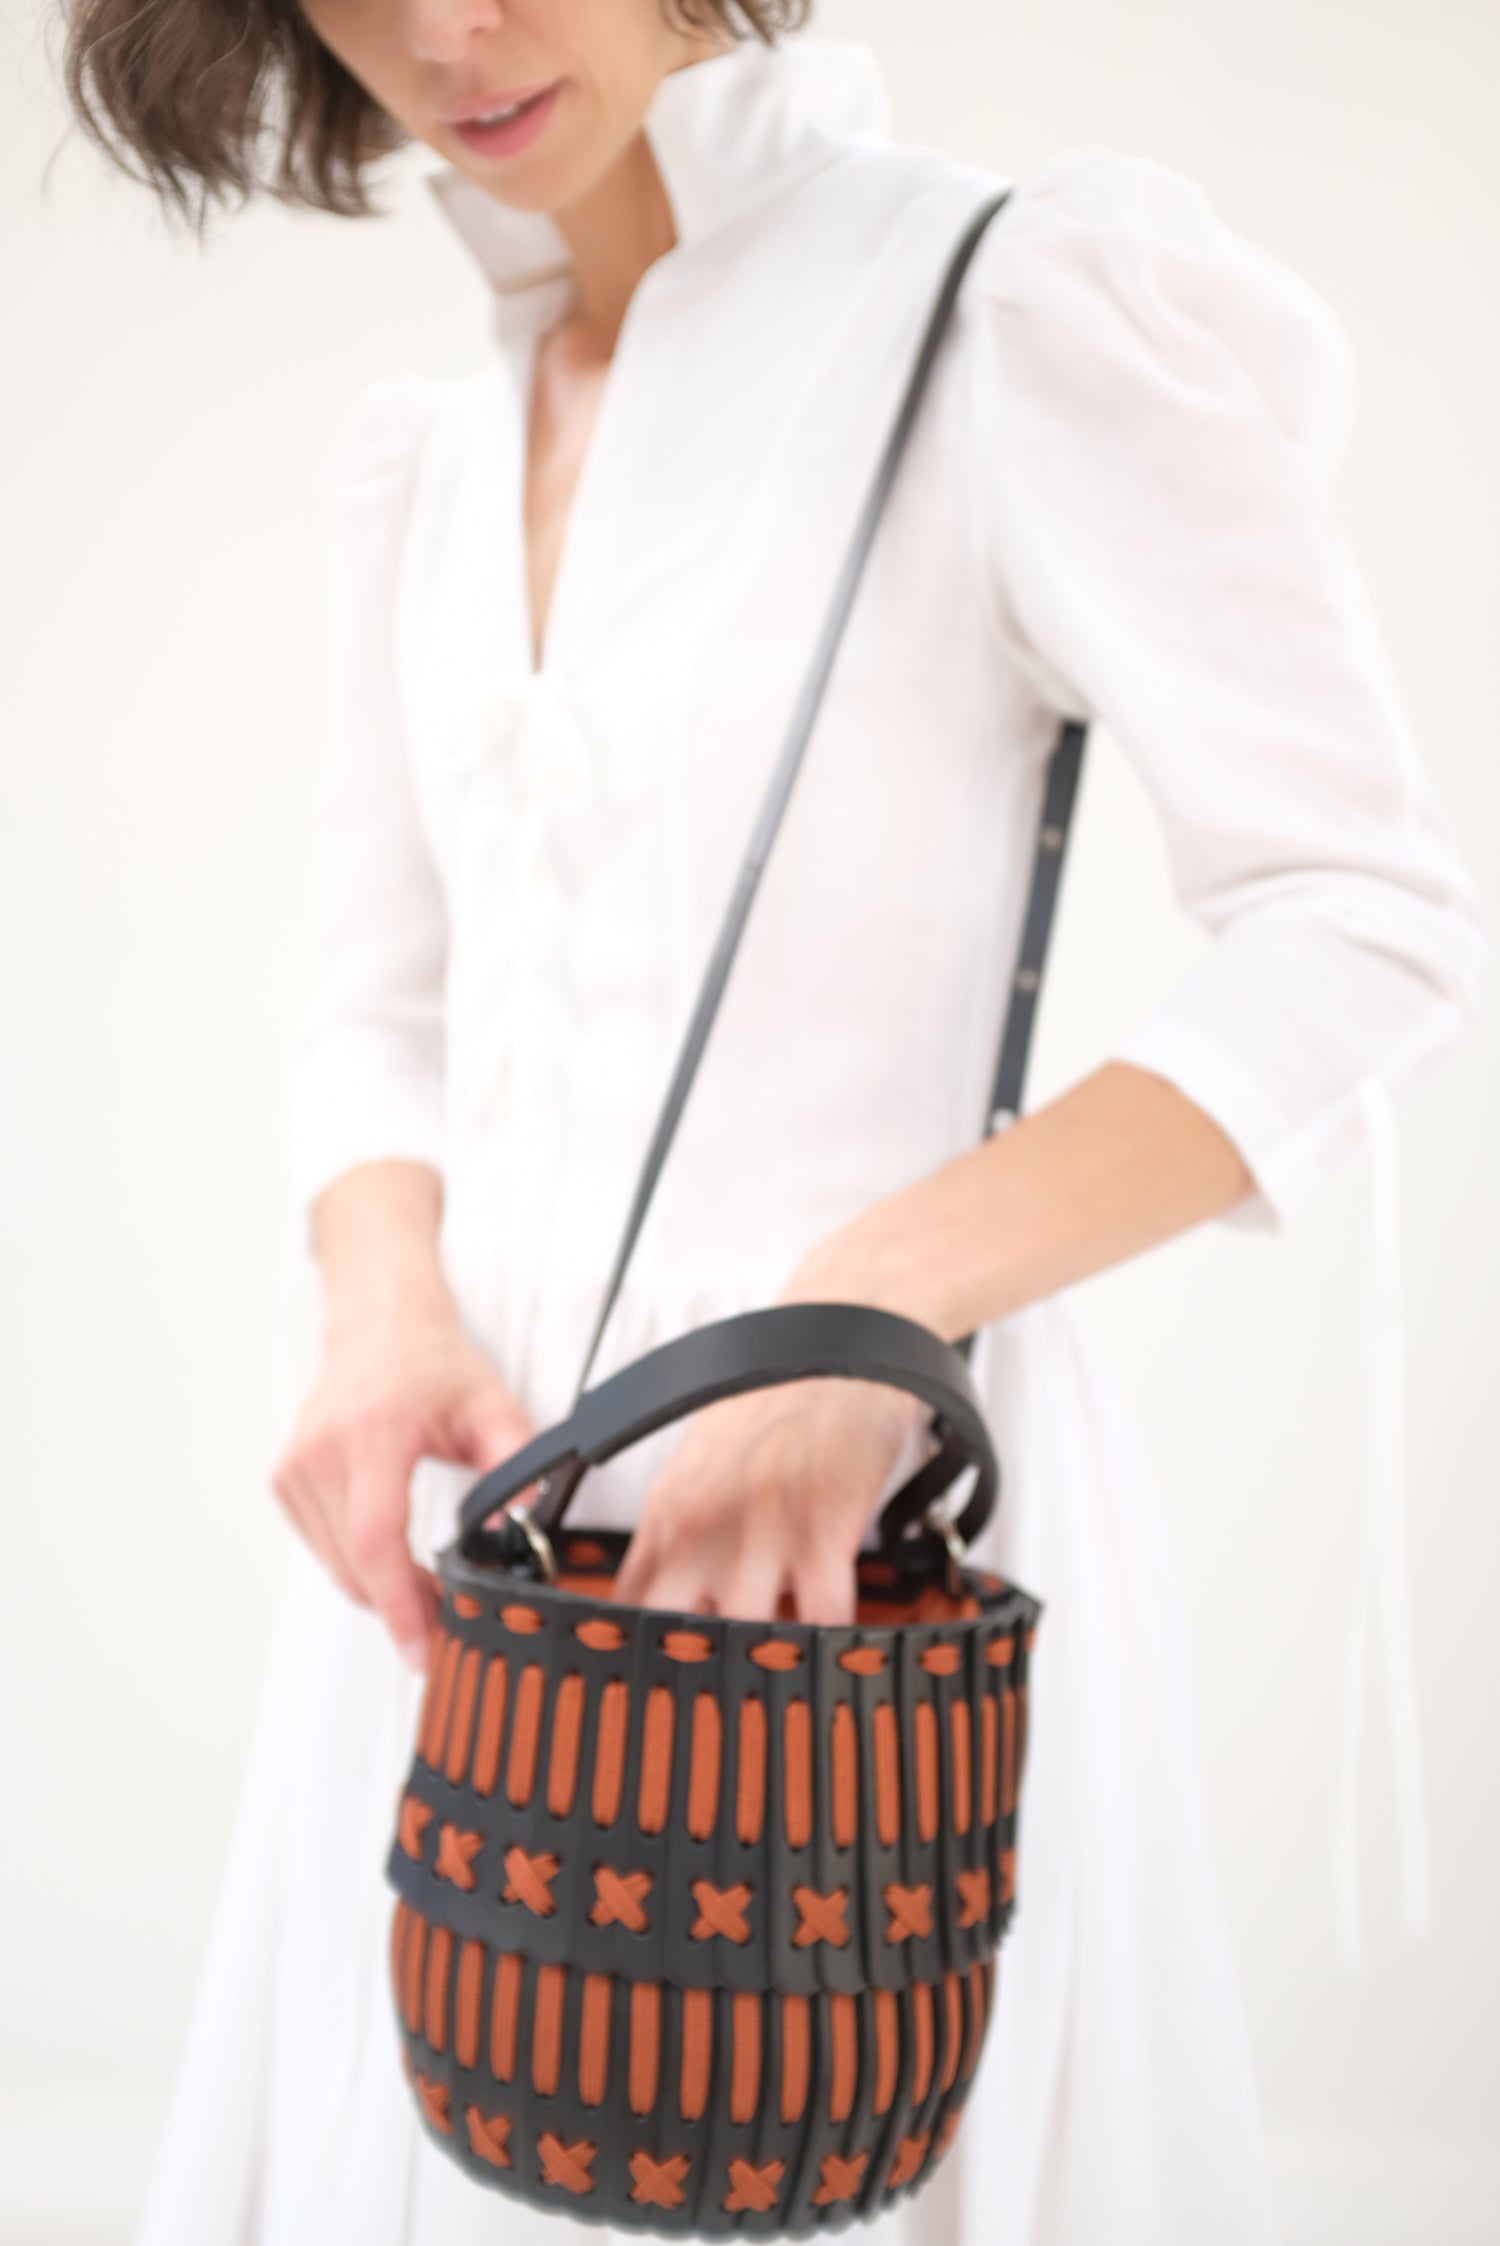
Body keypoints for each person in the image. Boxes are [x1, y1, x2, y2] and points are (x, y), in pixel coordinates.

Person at [62, 3, 1488, 2242]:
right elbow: (380, 1009)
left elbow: (1364, 919)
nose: (444, 31)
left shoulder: (1000, 313)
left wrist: (860, 1314)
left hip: (854, 1572)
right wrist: (377, 1306)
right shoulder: (427, 458)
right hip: (472, 1603)